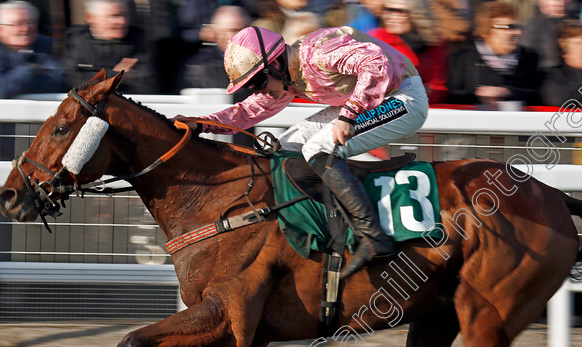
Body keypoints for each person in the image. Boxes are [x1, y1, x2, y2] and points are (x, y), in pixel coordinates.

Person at [178, 26, 428, 275]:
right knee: (285, 149)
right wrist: (200, 124)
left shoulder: (320, 53)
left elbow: (375, 63)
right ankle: (330, 224)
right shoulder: (286, 74)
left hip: (402, 97)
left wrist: (349, 114)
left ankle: (374, 237)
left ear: (275, 64)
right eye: (250, 86)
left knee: (318, 147)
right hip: (368, 99)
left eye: (257, 82)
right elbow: (247, 112)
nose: (257, 90)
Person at [445, 1, 540, 107]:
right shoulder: (463, 57)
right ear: (486, 32)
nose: (517, 32)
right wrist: (477, 95)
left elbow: (538, 96)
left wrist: (506, 91)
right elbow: (451, 95)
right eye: (508, 27)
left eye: (516, 26)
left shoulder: (528, 57)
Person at [0, 0, 65, 97]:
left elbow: (61, 82)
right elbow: (0, 90)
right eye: (17, 24)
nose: (25, 29)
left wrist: (18, 81)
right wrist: (31, 69)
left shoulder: (47, 44)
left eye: (30, 23)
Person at [62, 0, 157, 92]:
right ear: (91, 18)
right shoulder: (78, 42)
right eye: (114, 16)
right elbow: (73, 82)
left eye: (125, 15)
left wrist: (98, 77)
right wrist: (116, 76)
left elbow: (147, 85)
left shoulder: (137, 39)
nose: (122, 22)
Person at [180, 4, 250, 89]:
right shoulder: (198, 70)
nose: (238, 35)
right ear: (216, 33)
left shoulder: (260, 65)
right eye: (232, 30)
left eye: (242, 30)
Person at [519, 0, 572, 72]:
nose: (561, 3)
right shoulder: (534, 26)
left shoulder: (574, 24)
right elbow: (526, 58)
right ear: (542, 3)